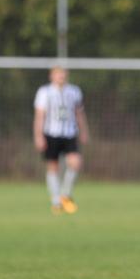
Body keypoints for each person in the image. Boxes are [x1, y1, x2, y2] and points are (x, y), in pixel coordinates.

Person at [33, 66, 88, 214]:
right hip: (51, 133)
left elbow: (79, 113)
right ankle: (56, 202)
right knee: (53, 167)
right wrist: (38, 136)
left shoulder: (74, 91)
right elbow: (39, 116)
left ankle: (65, 195)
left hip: (70, 133)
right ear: (52, 76)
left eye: (63, 74)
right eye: (58, 74)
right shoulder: (45, 92)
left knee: (75, 162)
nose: (61, 76)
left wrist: (84, 131)